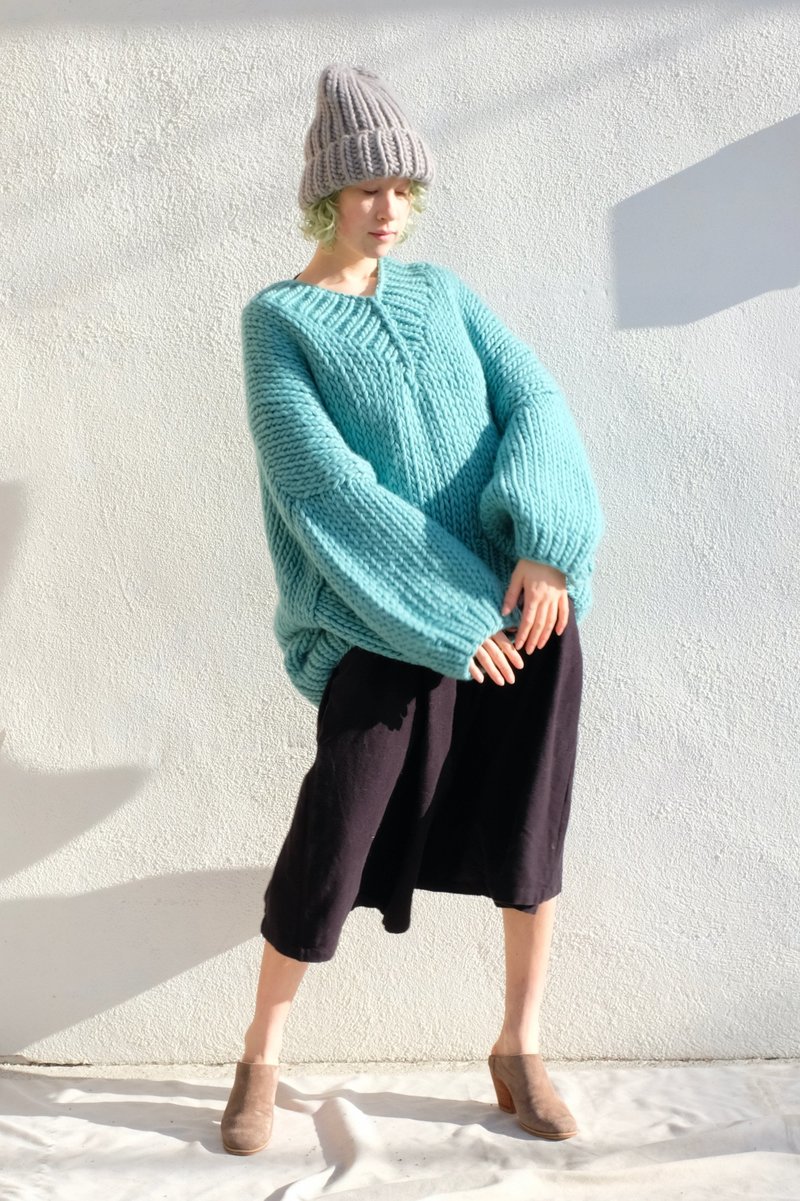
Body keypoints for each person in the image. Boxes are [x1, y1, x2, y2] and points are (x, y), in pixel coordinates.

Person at [220, 62, 605, 1156]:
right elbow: (320, 488)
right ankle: (259, 1055)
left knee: (528, 820)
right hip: (376, 618)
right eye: (366, 188)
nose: (388, 208)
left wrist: (545, 547)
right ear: (325, 194)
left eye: (401, 187)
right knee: (333, 831)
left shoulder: (445, 294)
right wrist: (444, 613)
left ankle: (519, 1044)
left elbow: (534, 400)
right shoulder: (278, 321)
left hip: (519, 611)